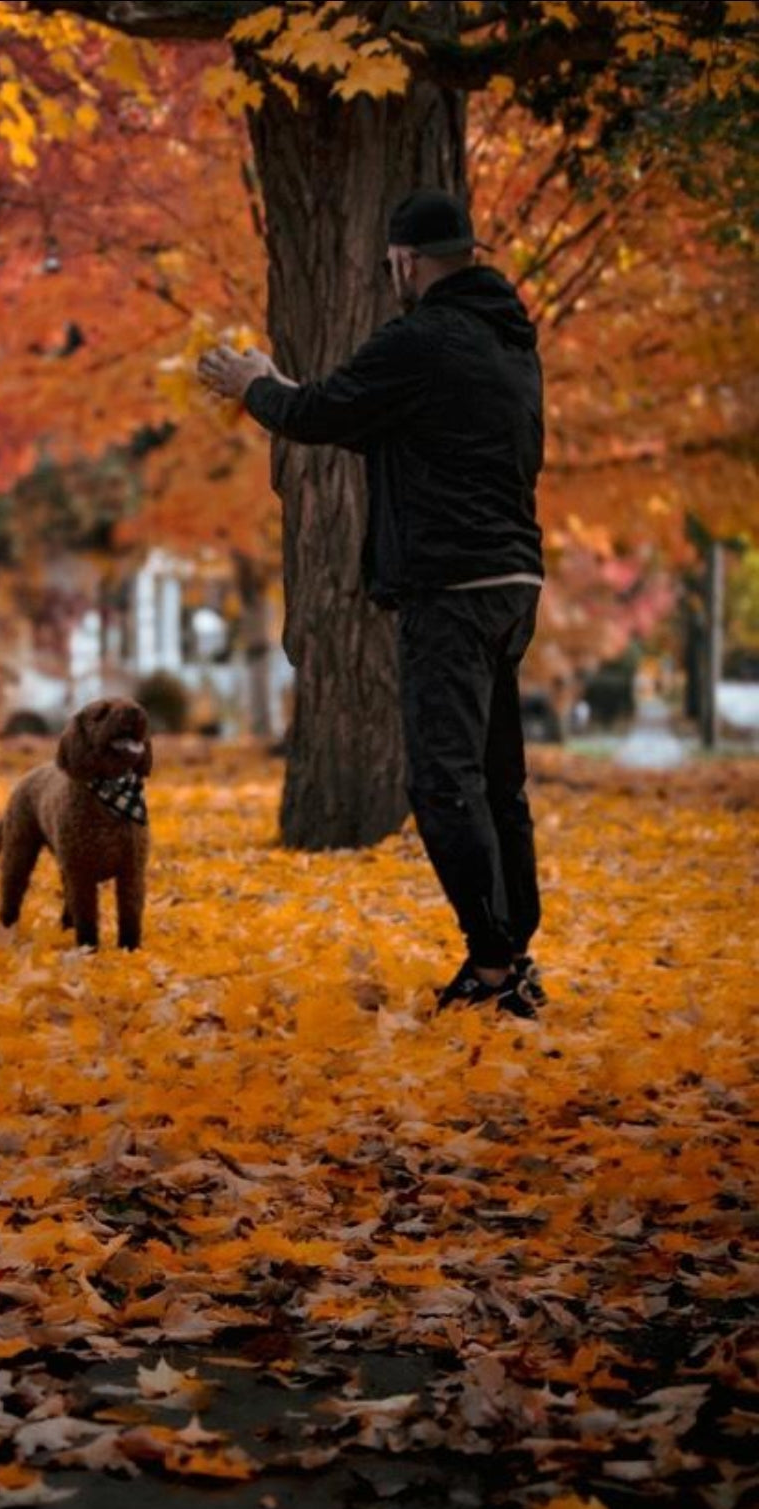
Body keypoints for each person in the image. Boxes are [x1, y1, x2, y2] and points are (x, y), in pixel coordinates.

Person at [198, 188, 546, 1018]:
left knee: (442, 780)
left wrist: (255, 388)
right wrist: (283, 387)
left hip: (448, 586)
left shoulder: (421, 337)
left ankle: (497, 971)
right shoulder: (508, 343)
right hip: (511, 581)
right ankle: (511, 950)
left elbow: (323, 414)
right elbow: (368, 418)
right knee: (497, 779)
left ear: (404, 261)